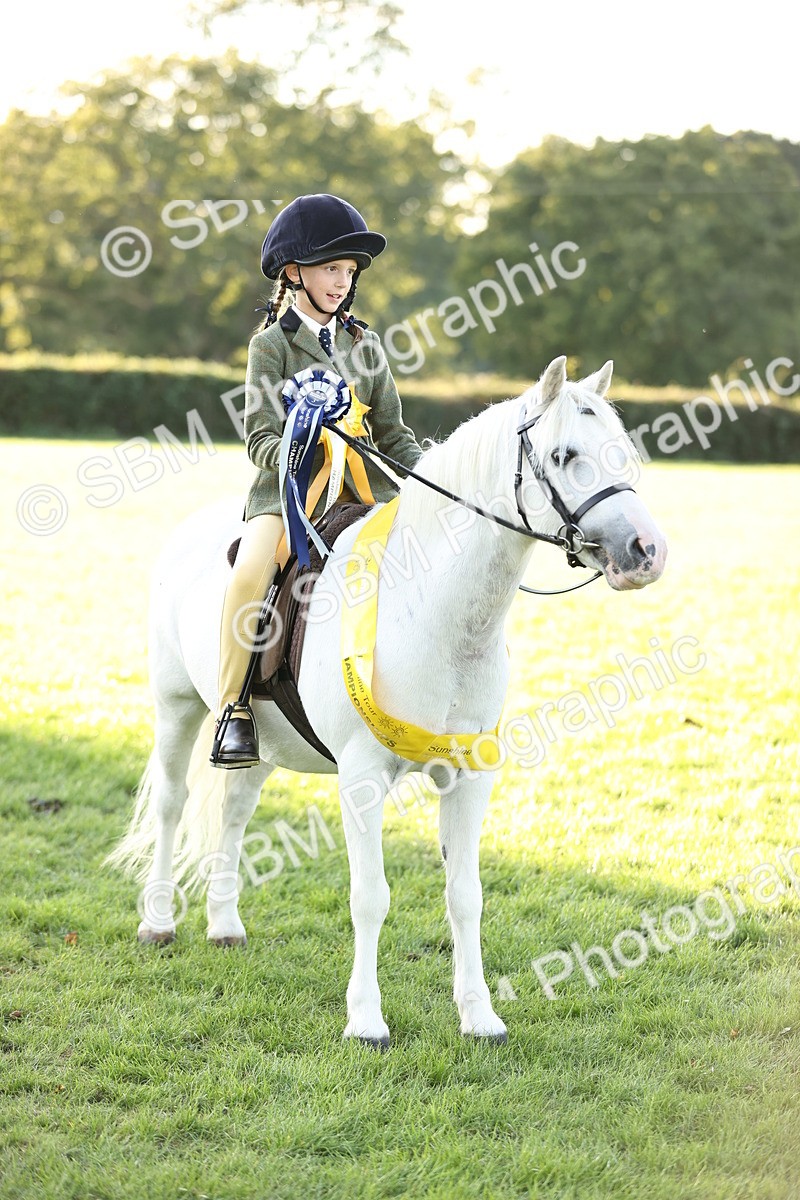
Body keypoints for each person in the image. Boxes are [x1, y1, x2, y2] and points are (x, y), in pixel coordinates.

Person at [211, 193, 425, 768]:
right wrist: (303, 448)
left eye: (348, 272)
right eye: (331, 268)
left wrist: (427, 478)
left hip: (364, 494)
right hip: (287, 495)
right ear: (294, 273)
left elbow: (394, 435)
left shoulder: (366, 345)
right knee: (253, 572)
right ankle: (234, 709)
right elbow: (258, 437)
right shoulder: (270, 346)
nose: (341, 282)